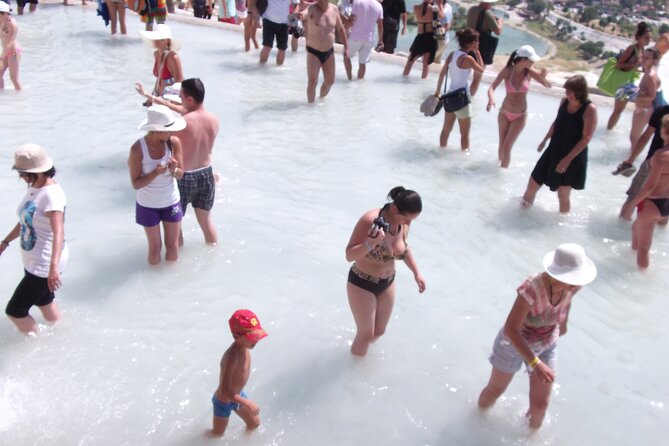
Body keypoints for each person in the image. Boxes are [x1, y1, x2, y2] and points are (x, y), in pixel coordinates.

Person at [478, 243, 597, 429]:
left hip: (547, 343)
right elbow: (511, 329)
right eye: (574, 278)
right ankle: (476, 422)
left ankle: (530, 439)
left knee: (541, 404)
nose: (577, 283)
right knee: (495, 390)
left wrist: (563, 323)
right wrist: (535, 363)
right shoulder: (532, 289)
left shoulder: (574, 287)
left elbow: (567, 302)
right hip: (514, 344)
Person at [345, 186, 425, 357]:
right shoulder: (370, 220)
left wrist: (416, 273)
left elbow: (403, 248)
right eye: (407, 219)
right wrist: (370, 244)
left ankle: (360, 361)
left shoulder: (403, 223)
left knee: (378, 332)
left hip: (387, 284)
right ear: (395, 209)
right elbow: (349, 255)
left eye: (412, 220)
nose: (409, 224)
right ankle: (353, 373)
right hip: (362, 283)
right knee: (365, 335)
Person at [1, 144, 68, 334]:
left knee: (15, 310)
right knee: (43, 300)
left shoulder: (51, 196)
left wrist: (53, 269)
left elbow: (59, 232)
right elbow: (26, 220)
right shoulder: (37, 187)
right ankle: (62, 332)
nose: (21, 178)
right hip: (36, 261)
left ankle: (42, 344)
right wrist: (5, 242)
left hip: (45, 264)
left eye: (22, 174)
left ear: (35, 172)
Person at [521, 75, 597, 214]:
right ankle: (521, 215)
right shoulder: (564, 102)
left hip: (573, 156)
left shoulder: (589, 109)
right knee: (533, 183)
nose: (567, 95)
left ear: (579, 91)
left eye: (570, 92)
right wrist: (544, 140)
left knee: (563, 193)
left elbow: (586, 139)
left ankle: (561, 224)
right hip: (554, 149)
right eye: (566, 91)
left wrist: (567, 160)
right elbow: (557, 123)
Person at [128, 105, 186, 265]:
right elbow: (136, 184)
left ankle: (171, 285)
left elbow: (181, 175)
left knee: (173, 246)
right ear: (155, 130)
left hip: (171, 200)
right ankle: (153, 284)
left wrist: (174, 170)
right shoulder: (137, 149)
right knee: (155, 247)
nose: (172, 132)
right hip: (147, 204)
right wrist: (155, 173)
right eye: (168, 129)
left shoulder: (174, 143)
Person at [486, 45, 551, 168]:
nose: (533, 62)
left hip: (520, 116)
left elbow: (548, 86)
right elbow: (491, 87)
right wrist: (491, 99)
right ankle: (497, 172)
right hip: (504, 113)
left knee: (507, 146)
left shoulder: (530, 73)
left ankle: (503, 172)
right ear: (523, 60)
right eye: (531, 60)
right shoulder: (507, 71)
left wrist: (544, 77)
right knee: (501, 146)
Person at [211, 309, 267, 437]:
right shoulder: (232, 357)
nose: (257, 339)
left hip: (237, 396)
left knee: (254, 424)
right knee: (217, 435)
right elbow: (224, 390)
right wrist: (248, 403)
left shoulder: (245, 348)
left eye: (257, 335)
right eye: (253, 337)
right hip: (223, 402)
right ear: (237, 336)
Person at [434, 28, 484, 151]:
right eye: (477, 42)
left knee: (446, 129)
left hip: (450, 96)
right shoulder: (468, 59)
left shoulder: (452, 55)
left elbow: (442, 74)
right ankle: (464, 158)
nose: (478, 44)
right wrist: (478, 53)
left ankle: (441, 151)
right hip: (462, 100)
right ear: (471, 43)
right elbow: (481, 70)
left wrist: (437, 92)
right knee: (465, 134)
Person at [617, 105, 669, 222]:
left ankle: (619, 227)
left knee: (633, 197)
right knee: (664, 205)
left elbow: (645, 137)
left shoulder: (662, 110)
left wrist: (630, 160)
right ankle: (659, 236)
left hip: (653, 162)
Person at [630, 114, 669, 268]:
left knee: (644, 247)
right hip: (666, 203)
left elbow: (650, 187)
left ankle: (640, 280)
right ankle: (628, 260)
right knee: (635, 228)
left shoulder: (661, 155)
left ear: (665, 130)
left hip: (652, 202)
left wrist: (633, 202)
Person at [299, 0, 349, 103]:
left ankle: (320, 99)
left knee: (330, 81)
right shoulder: (312, 8)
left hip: (329, 51)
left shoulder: (334, 9)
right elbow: (304, 13)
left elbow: (341, 29)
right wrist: (300, 16)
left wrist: (347, 48)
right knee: (312, 81)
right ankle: (310, 107)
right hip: (313, 51)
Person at [606, 22, 652, 130]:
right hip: (623, 84)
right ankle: (609, 130)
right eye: (646, 38)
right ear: (639, 37)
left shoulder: (643, 51)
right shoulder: (632, 49)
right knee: (618, 110)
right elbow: (619, 65)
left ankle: (611, 129)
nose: (649, 40)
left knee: (620, 110)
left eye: (650, 38)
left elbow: (638, 68)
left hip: (630, 84)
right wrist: (634, 64)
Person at [616, 48, 661, 152]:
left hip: (644, 109)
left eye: (647, 58)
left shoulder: (650, 75)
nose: (643, 60)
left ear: (654, 60)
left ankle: (631, 160)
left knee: (634, 137)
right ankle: (631, 156)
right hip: (643, 107)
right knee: (635, 137)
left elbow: (652, 96)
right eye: (643, 56)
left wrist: (636, 97)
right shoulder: (649, 70)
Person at [466, 0, 502, 97]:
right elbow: (498, 31)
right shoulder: (487, 13)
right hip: (480, 47)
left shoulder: (472, 9)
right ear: (488, 3)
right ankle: (470, 99)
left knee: (463, 73)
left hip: (467, 43)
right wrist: (499, 22)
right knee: (477, 77)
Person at [402, 0, 444, 79]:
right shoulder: (434, 8)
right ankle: (423, 81)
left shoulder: (416, 7)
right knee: (426, 63)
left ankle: (403, 77)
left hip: (420, 36)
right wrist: (440, 4)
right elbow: (442, 16)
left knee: (410, 60)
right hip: (430, 37)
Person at [139, 24, 184, 98]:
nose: (156, 40)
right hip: (158, 96)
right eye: (155, 37)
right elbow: (159, 78)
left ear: (167, 41)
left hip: (169, 99)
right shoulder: (156, 54)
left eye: (160, 38)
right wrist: (152, 97)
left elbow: (179, 84)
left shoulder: (173, 57)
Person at [343, 0, 383, 81]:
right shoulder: (379, 6)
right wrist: (380, 41)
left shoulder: (358, 2)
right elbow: (380, 26)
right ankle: (359, 84)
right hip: (369, 39)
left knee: (346, 57)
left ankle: (349, 79)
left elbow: (351, 21)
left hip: (355, 37)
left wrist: (343, 29)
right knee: (362, 63)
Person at [254, 0, 292, 65]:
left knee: (282, 49)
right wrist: (257, 16)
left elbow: (296, 4)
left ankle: (279, 71)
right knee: (267, 46)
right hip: (268, 20)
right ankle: (260, 68)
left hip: (284, 23)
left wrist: (292, 19)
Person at [0, 1, 21, 90]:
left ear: (5, 13)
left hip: (13, 52)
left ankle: (20, 98)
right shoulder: (1, 21)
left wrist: (0, 58)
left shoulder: (11, 24)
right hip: (5, 51)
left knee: (13, 78)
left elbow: (11, 42)